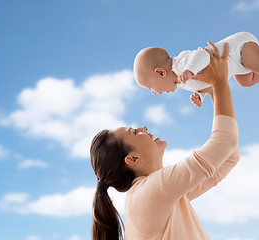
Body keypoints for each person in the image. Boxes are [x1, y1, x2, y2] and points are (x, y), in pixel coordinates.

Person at [90, 42, 240, 240]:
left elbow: (229, 156)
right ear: (133, 159)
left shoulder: (161, 194)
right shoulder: (153, 192)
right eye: (134, 132)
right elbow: (225, 143)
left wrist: (212, 90)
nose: (143, 127)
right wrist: (219, 82)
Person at [133, 28, 259, 107]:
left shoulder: (181, 65)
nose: (153, 92)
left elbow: (202, 55)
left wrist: (190, 70)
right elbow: (207, 81)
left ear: (160, 72)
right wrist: (201, 95)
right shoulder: (181, 82)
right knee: (246, 81)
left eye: (150, 87)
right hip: (237, 67)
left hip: (238, 50)